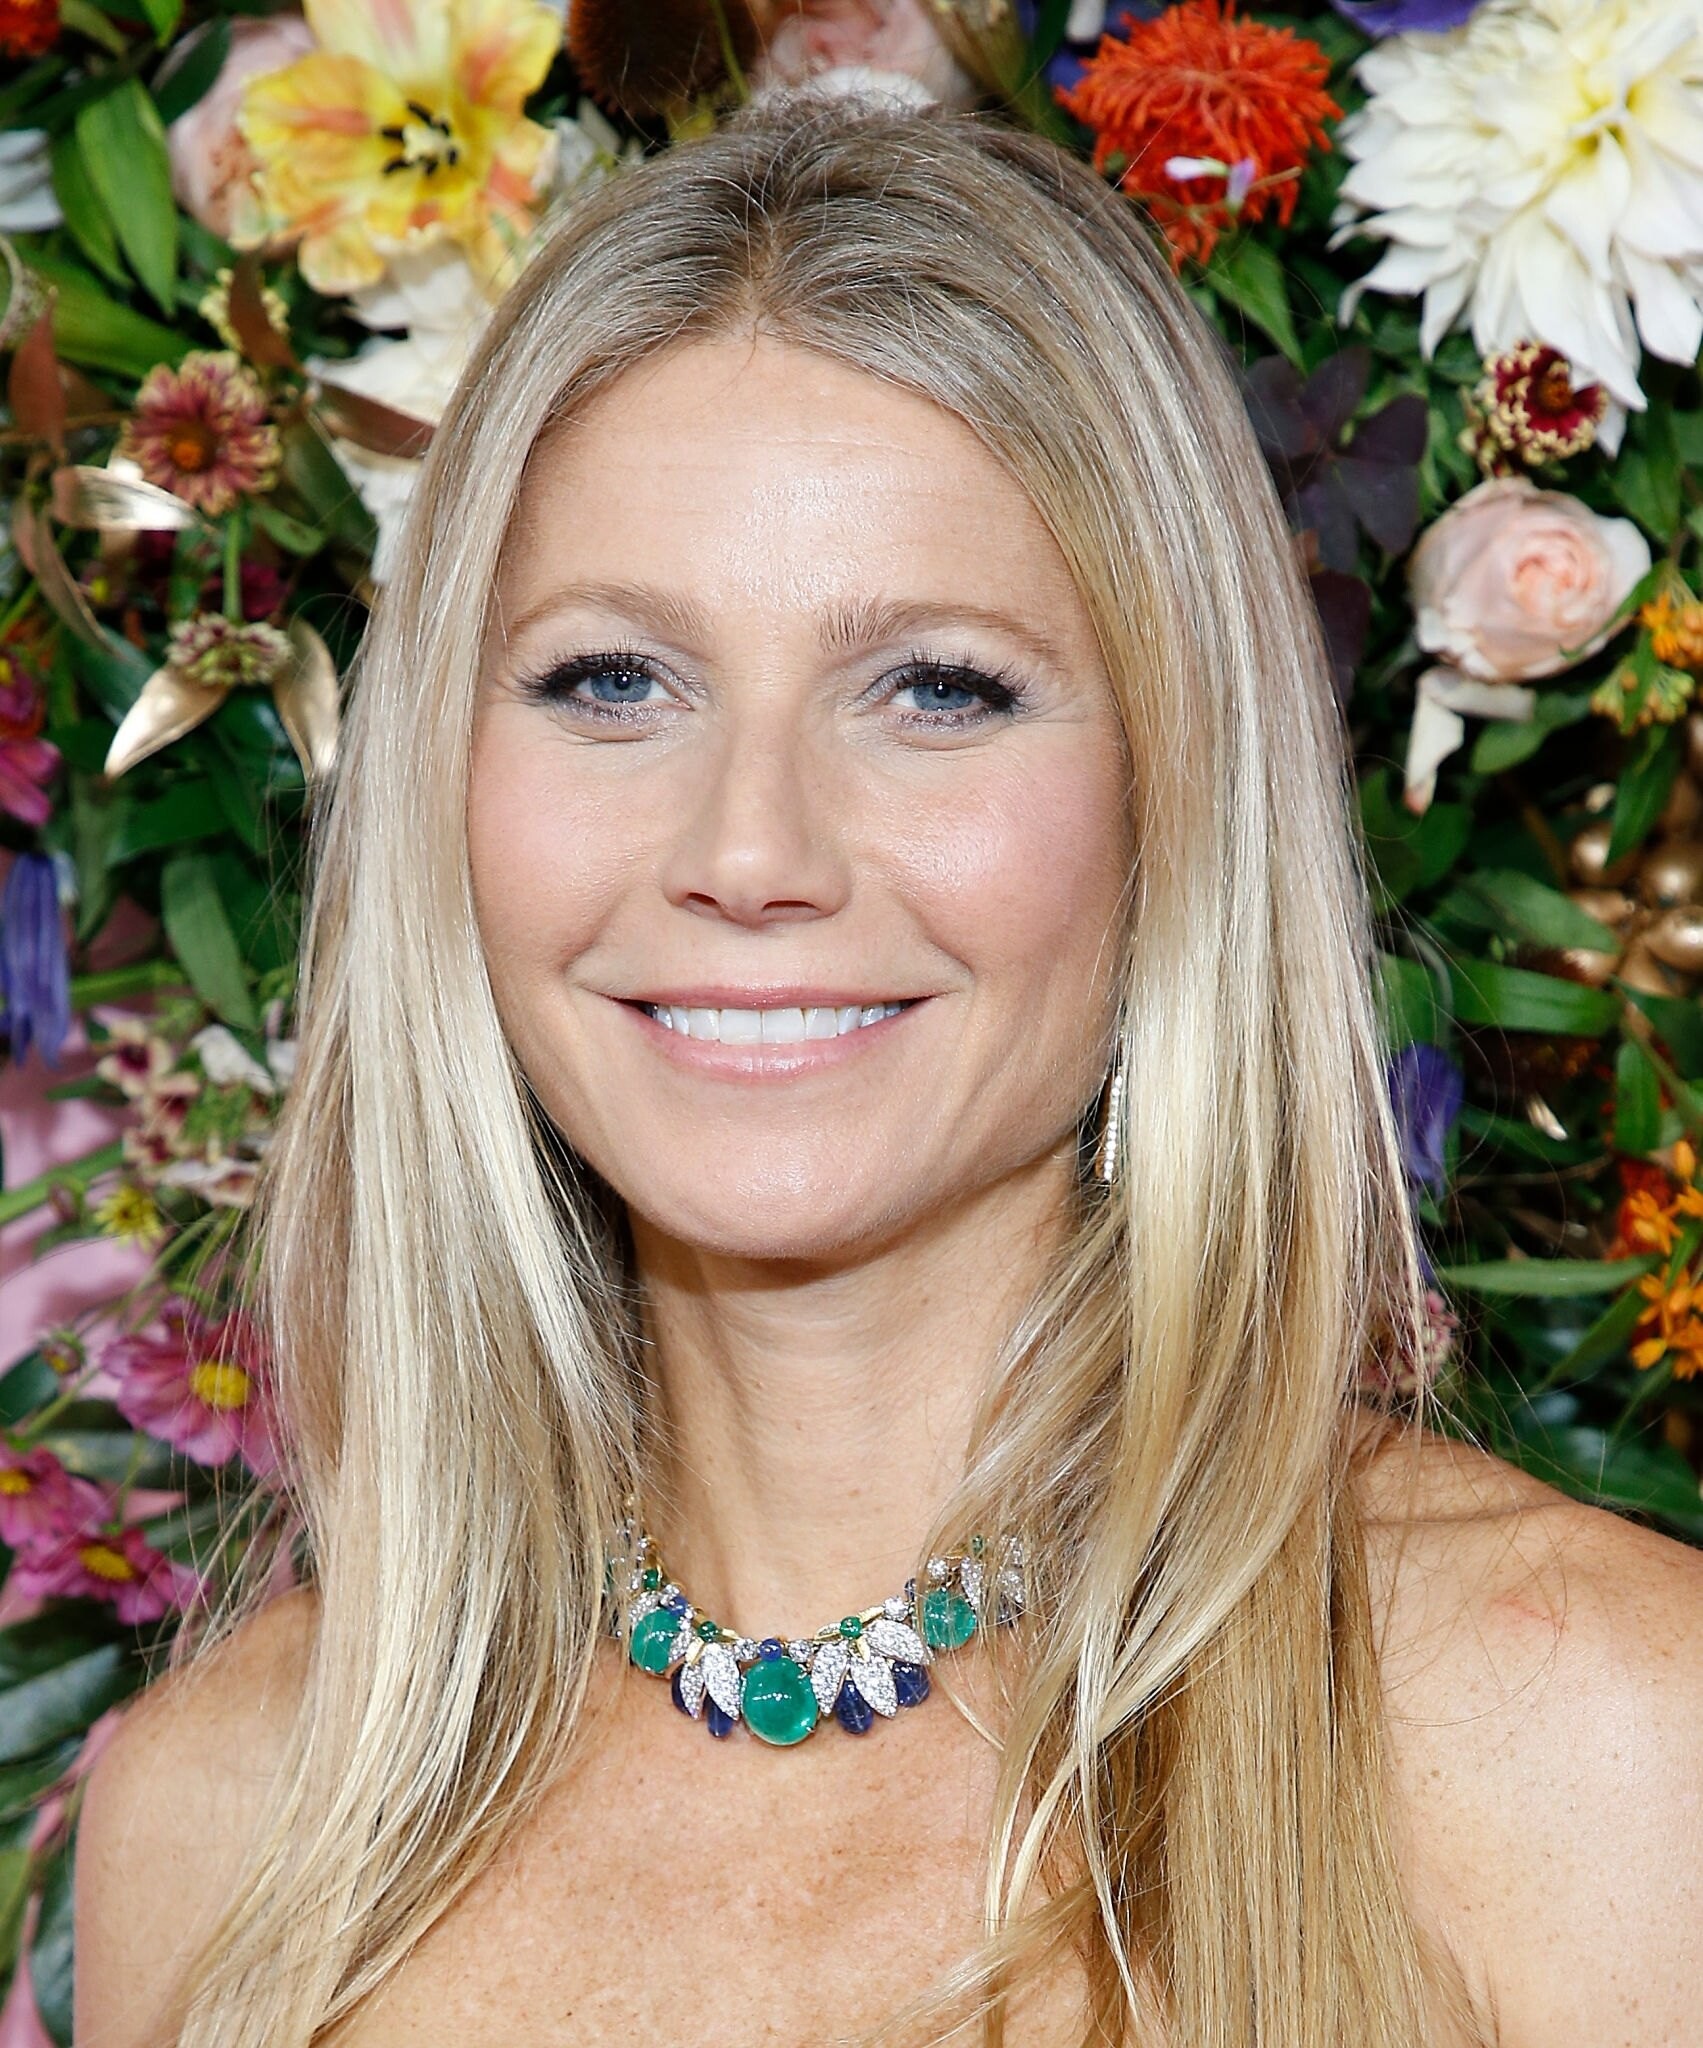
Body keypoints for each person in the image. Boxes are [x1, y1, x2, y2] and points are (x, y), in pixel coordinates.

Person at [71, 93, 1703, 2048]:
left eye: (937, 688)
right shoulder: (227, 1824)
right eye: (612, 680)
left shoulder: (1593, 1739)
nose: (750, 848)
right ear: (441, 784)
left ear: (1173, 796)